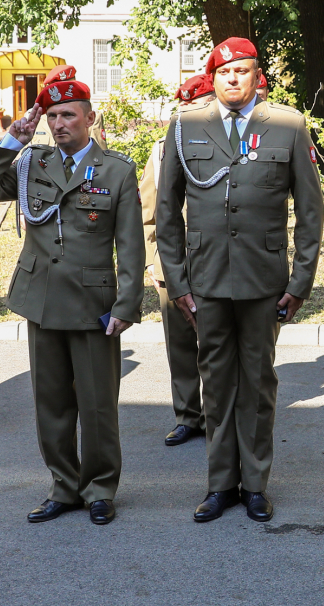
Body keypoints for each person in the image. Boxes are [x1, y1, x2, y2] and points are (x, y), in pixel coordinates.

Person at [156, 37, 324, 523]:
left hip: (262, 279)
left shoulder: (288, 126)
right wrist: (178, 282)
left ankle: (255, 484)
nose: (233, 79)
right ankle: (219, 484)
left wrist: (301, 281)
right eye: (225, 71)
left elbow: (310, 211)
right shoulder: (186, 125)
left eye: (243, 71)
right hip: (206, 279)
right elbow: (167, 212)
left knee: (257, 383)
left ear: (256, 76)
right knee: (216, 382)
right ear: (213, 77)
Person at [0, 79, 145, 525]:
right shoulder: (31, 163)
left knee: (97, 404)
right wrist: (12, 140)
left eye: (68, 115)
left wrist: (127, 305)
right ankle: (64, 486)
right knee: (51, 403)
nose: (59, 123)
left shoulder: (116, 170)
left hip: (92, 303)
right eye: (52, 117)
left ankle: (100, 488)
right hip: (41, 300)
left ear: (90, 117)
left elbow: (131, 244)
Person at [140, 74, 215, 446]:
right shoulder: (161, 149)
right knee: (181, 344)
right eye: (184, 106)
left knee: (216, 343)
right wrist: (154, 262)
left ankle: (220, 414)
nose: (188, 112)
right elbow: (149, 213)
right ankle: (188, 415)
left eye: (197, 104)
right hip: (174, 261)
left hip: (215, 261)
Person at [31, 65, 107, 151]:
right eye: (58, 86)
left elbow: (100, 153)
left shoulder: (91, 116)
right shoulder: (35, 117)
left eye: (68, 85)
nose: (58, 125)